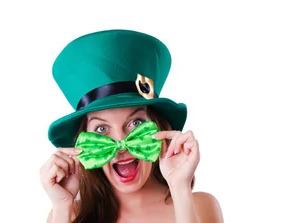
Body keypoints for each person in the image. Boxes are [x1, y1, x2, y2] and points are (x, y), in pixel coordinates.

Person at [39, 30, 223, 222]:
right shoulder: (66, 213)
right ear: (83, 143)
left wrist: (180, 189)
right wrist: (62, 207)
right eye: (102, 129)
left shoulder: (200, 205)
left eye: (135, 123)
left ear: (159, 127)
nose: (121, 143)